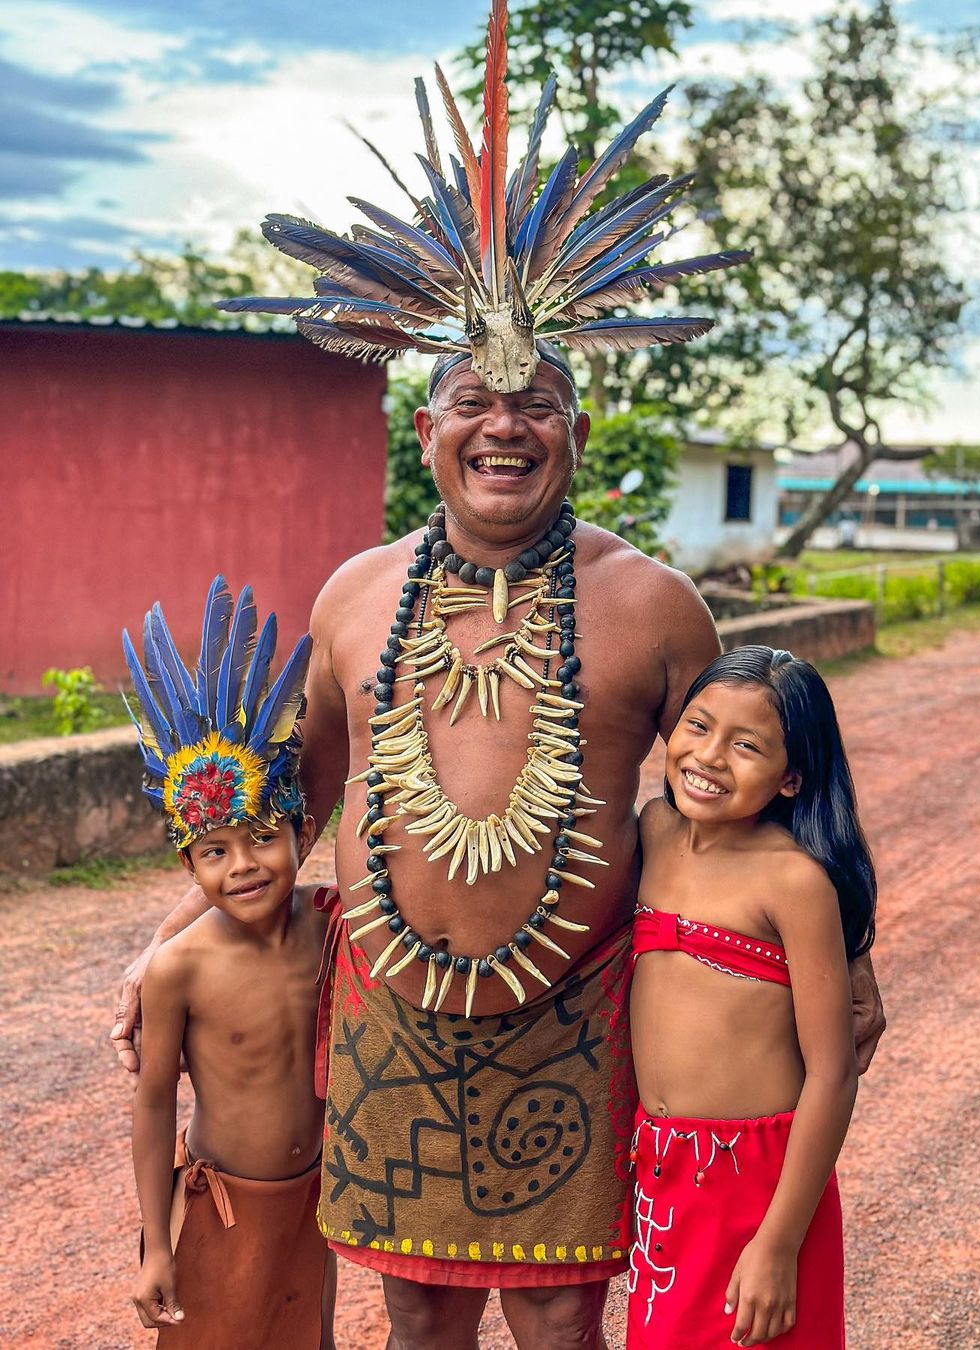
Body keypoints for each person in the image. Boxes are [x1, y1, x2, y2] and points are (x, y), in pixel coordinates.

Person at [111, 4, 886, 1345]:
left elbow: (738, 792)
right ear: (428, 427)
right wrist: (171, 935)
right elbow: (290, 814)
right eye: (474, 397)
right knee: (410, 1311)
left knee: (555, 1313)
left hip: (571, 1016)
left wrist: (844, 953)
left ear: (575, 432)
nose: (503, 422)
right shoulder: (356, 593)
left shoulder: (653, 603)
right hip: (390, 1017)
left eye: (535, 402)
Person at [627, 647, 876, 1347]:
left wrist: (779, 1242)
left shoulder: (793, 884)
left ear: (791, 777)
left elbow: (832, 1071)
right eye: (699, 727)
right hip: (664, 1171)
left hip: (760, 1184)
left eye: (747, 746)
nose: (709, 757)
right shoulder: (653, 830)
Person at [124, 580, 337, 1348]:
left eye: (261, 838)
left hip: (313, 1199)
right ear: (189, 864)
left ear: (301, 832)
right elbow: (153, 1105)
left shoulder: (329, 927)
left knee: (308, 1338)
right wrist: (155, 1242)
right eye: (216, 850)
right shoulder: (177, 968)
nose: (243, 867)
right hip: (219, 1206)